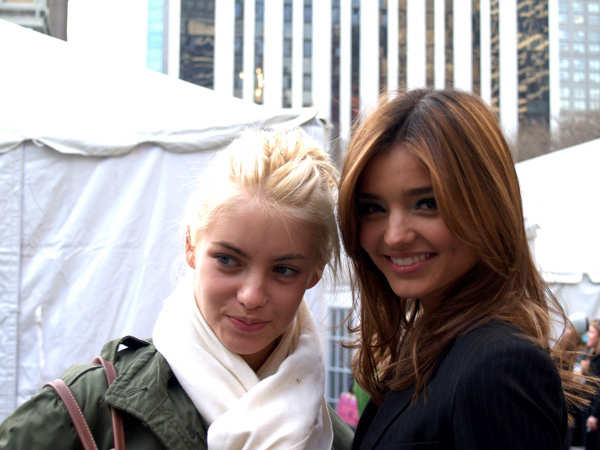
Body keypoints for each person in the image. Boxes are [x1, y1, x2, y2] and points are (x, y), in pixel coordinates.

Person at [0, 128, 354, 449]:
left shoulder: (333, 440)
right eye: (228, 260)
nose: (251, 296)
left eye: (284, 270)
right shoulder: (86, 409)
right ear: (190, 245)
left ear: (314, 274)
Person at [337, 88, 586, 449]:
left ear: (487, 206)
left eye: (427, 203)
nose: (394, 236)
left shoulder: (498, 366)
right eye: (373, 208)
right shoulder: (427, 346)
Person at [583, 320, 600, 449]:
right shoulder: (593, 356)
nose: (587, 335)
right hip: (590, 408)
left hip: (596, 412)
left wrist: (595, 414)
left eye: (591, 332)